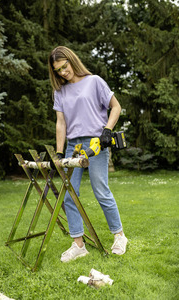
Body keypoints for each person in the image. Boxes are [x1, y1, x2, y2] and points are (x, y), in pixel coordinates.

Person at [48, 46, 127, 262]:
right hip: (74, 145)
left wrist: (107, 130)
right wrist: (58, 151)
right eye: (58, 70)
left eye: (65, 66)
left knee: (100, 189)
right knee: (69, 194)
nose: (64, 72)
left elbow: (116, 107)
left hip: (96, 143)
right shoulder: (60, 92)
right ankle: (78, 244)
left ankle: (119, 236)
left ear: (72, 60)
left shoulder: (95, 81)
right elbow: (61, 123)